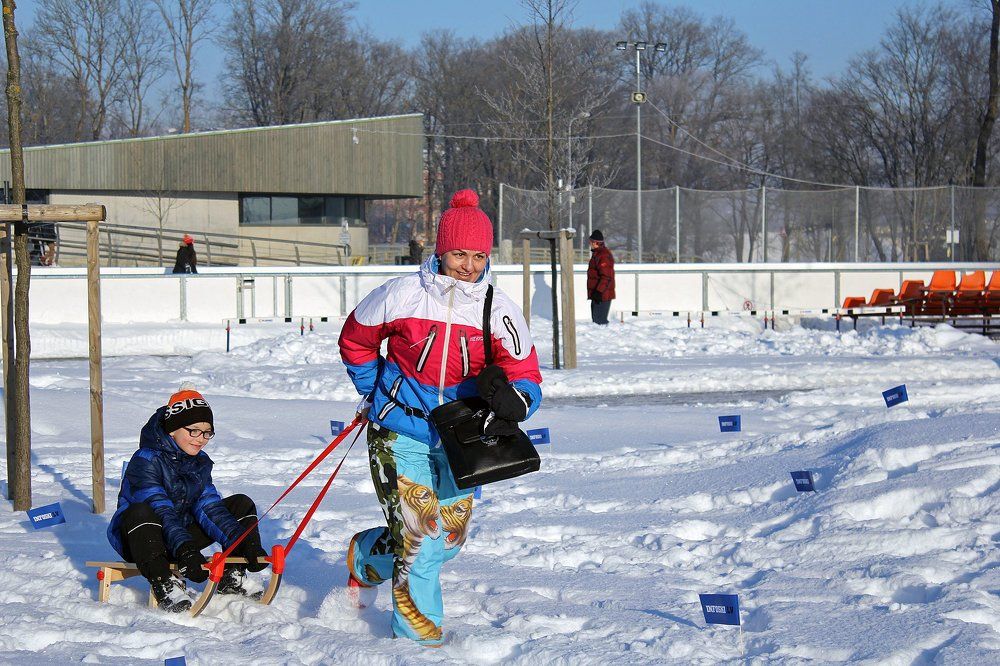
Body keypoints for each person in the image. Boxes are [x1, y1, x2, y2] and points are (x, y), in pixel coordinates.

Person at [338, 189, 543, 647]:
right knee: (421, 540)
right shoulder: (401, 294)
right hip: (399, 431)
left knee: (447, 539)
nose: (468, 266)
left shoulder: (498, 309)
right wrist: (374, 390)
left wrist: (517, 402)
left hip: (463, 439)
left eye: (478, 255)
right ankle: (418, 642)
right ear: (441, 250)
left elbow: (526, 374)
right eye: (459, 254)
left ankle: (367, 557)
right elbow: (355, 340)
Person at [106, 385, 269, 613]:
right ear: (173, 429)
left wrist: (242, 543)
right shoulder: (146, 460)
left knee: (240, 504)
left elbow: (210, 508)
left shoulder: (199, 462)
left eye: (207, 432)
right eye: (194, 431)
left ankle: (232, 574)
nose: (201, 439)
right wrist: (185, 549)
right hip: (142, 539)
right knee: (140, 511)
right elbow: (160, 508)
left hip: (180, 537)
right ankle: (164, 583)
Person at [587, 229, 615, 325]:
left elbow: (606, 276)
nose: (590, 243)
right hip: (597, 295)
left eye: (590, 241)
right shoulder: (597, 254)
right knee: (596, 322)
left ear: (595, 242)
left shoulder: (603, 255)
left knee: (600, 323)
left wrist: (599, 292)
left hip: (602, 295)